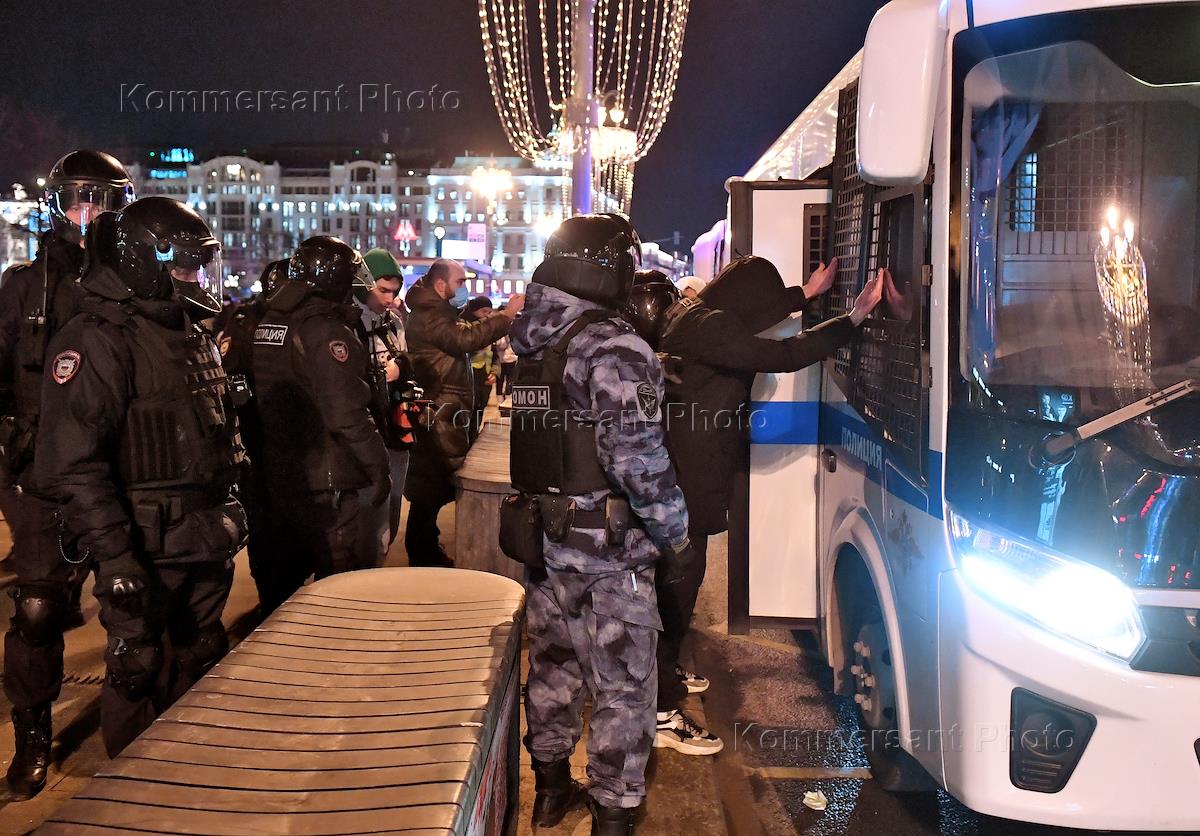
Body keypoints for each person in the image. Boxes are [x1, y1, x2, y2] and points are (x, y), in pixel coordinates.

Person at [31, 196, 248, 758]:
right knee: (138, 667)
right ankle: (125, 792)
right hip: (145, 542)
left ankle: (185, 780)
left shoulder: (187, 329)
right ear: (146, 261)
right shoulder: (97, 338)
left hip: (203, 535)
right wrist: (116, 556)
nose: (195, 279)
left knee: (200, 657)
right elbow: (73, 464)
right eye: (185, 267)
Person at [654, 255, 885, 755]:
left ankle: (662, 675)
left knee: (680, 575)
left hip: (684, 471)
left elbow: (756, 322)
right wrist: (851, 319)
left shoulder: (694, 317)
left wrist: (803, 294)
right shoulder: (713, 329)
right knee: (679, 578)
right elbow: (784, 354)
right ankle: (657, 707)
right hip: (690, 475)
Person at [511, 214, 692, 835]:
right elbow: (637, 459)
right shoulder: (613, 346)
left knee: (553, 668)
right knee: (624, 686)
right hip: (607, 552)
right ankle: (613, 815)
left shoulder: (533, 340)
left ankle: (550, 790)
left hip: (544, 540)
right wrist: (675, 534)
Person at [0, 150, 134, 795]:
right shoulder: (25, 287)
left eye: (102, 200)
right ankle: (33, 734)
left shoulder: (134, 283)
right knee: (37, 608)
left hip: (117, 468)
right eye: (78, 199)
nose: (88, 213)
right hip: (40, 470)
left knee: (131, 601)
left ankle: (135, 724)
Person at [245, 236, 389, 611]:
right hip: (327, 478)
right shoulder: (324, 329)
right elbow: (347, 411)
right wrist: (378, 466)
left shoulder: (271, 320)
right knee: (334, 591)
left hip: (284, 471)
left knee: (283, 591)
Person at [402, 259, 521, 567]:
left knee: (431, 489)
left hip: (444, 409)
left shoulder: (437, 312)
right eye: (460, 282)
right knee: (429, 490)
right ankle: (422, 555)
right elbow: (465, 339)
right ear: (441, 285)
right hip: (437, 412)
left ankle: (426, 549)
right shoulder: (430, 315)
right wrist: (506, 316)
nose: (464, 288)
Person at [217, 259, 287, 611]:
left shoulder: (300, 321)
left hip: (294, 442)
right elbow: (232, 379)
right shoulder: (246, 321)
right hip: (258, 441)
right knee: (265, 526)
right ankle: (271, 600)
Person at [356, 247, 418, 565]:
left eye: (394, 291)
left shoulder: (393, 322)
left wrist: (401, 368)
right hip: (364, 433)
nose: (390, 298)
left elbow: (406, 359)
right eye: (382, 290)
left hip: (395, 429)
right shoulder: (347, 322)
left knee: (391, 513)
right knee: (366, 520)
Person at [461, 295, 499, 438]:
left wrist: (495, 372)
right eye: (484, 311)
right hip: (468, 380)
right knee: (466, 418)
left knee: (478, 416)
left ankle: (474, 440)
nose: (487, 315)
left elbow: (495, 356)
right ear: (474, 311)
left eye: (490, 312)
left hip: (485, 380)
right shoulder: (464, 328)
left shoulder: (489, 331)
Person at [495, 332, 518, 405]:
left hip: (511, 359)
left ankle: (508, 396)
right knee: (500, 380)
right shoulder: (501, 334)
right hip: (501, 359)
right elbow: (501, 345)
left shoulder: (513, 333)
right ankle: (500, 399)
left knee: (510, 380)